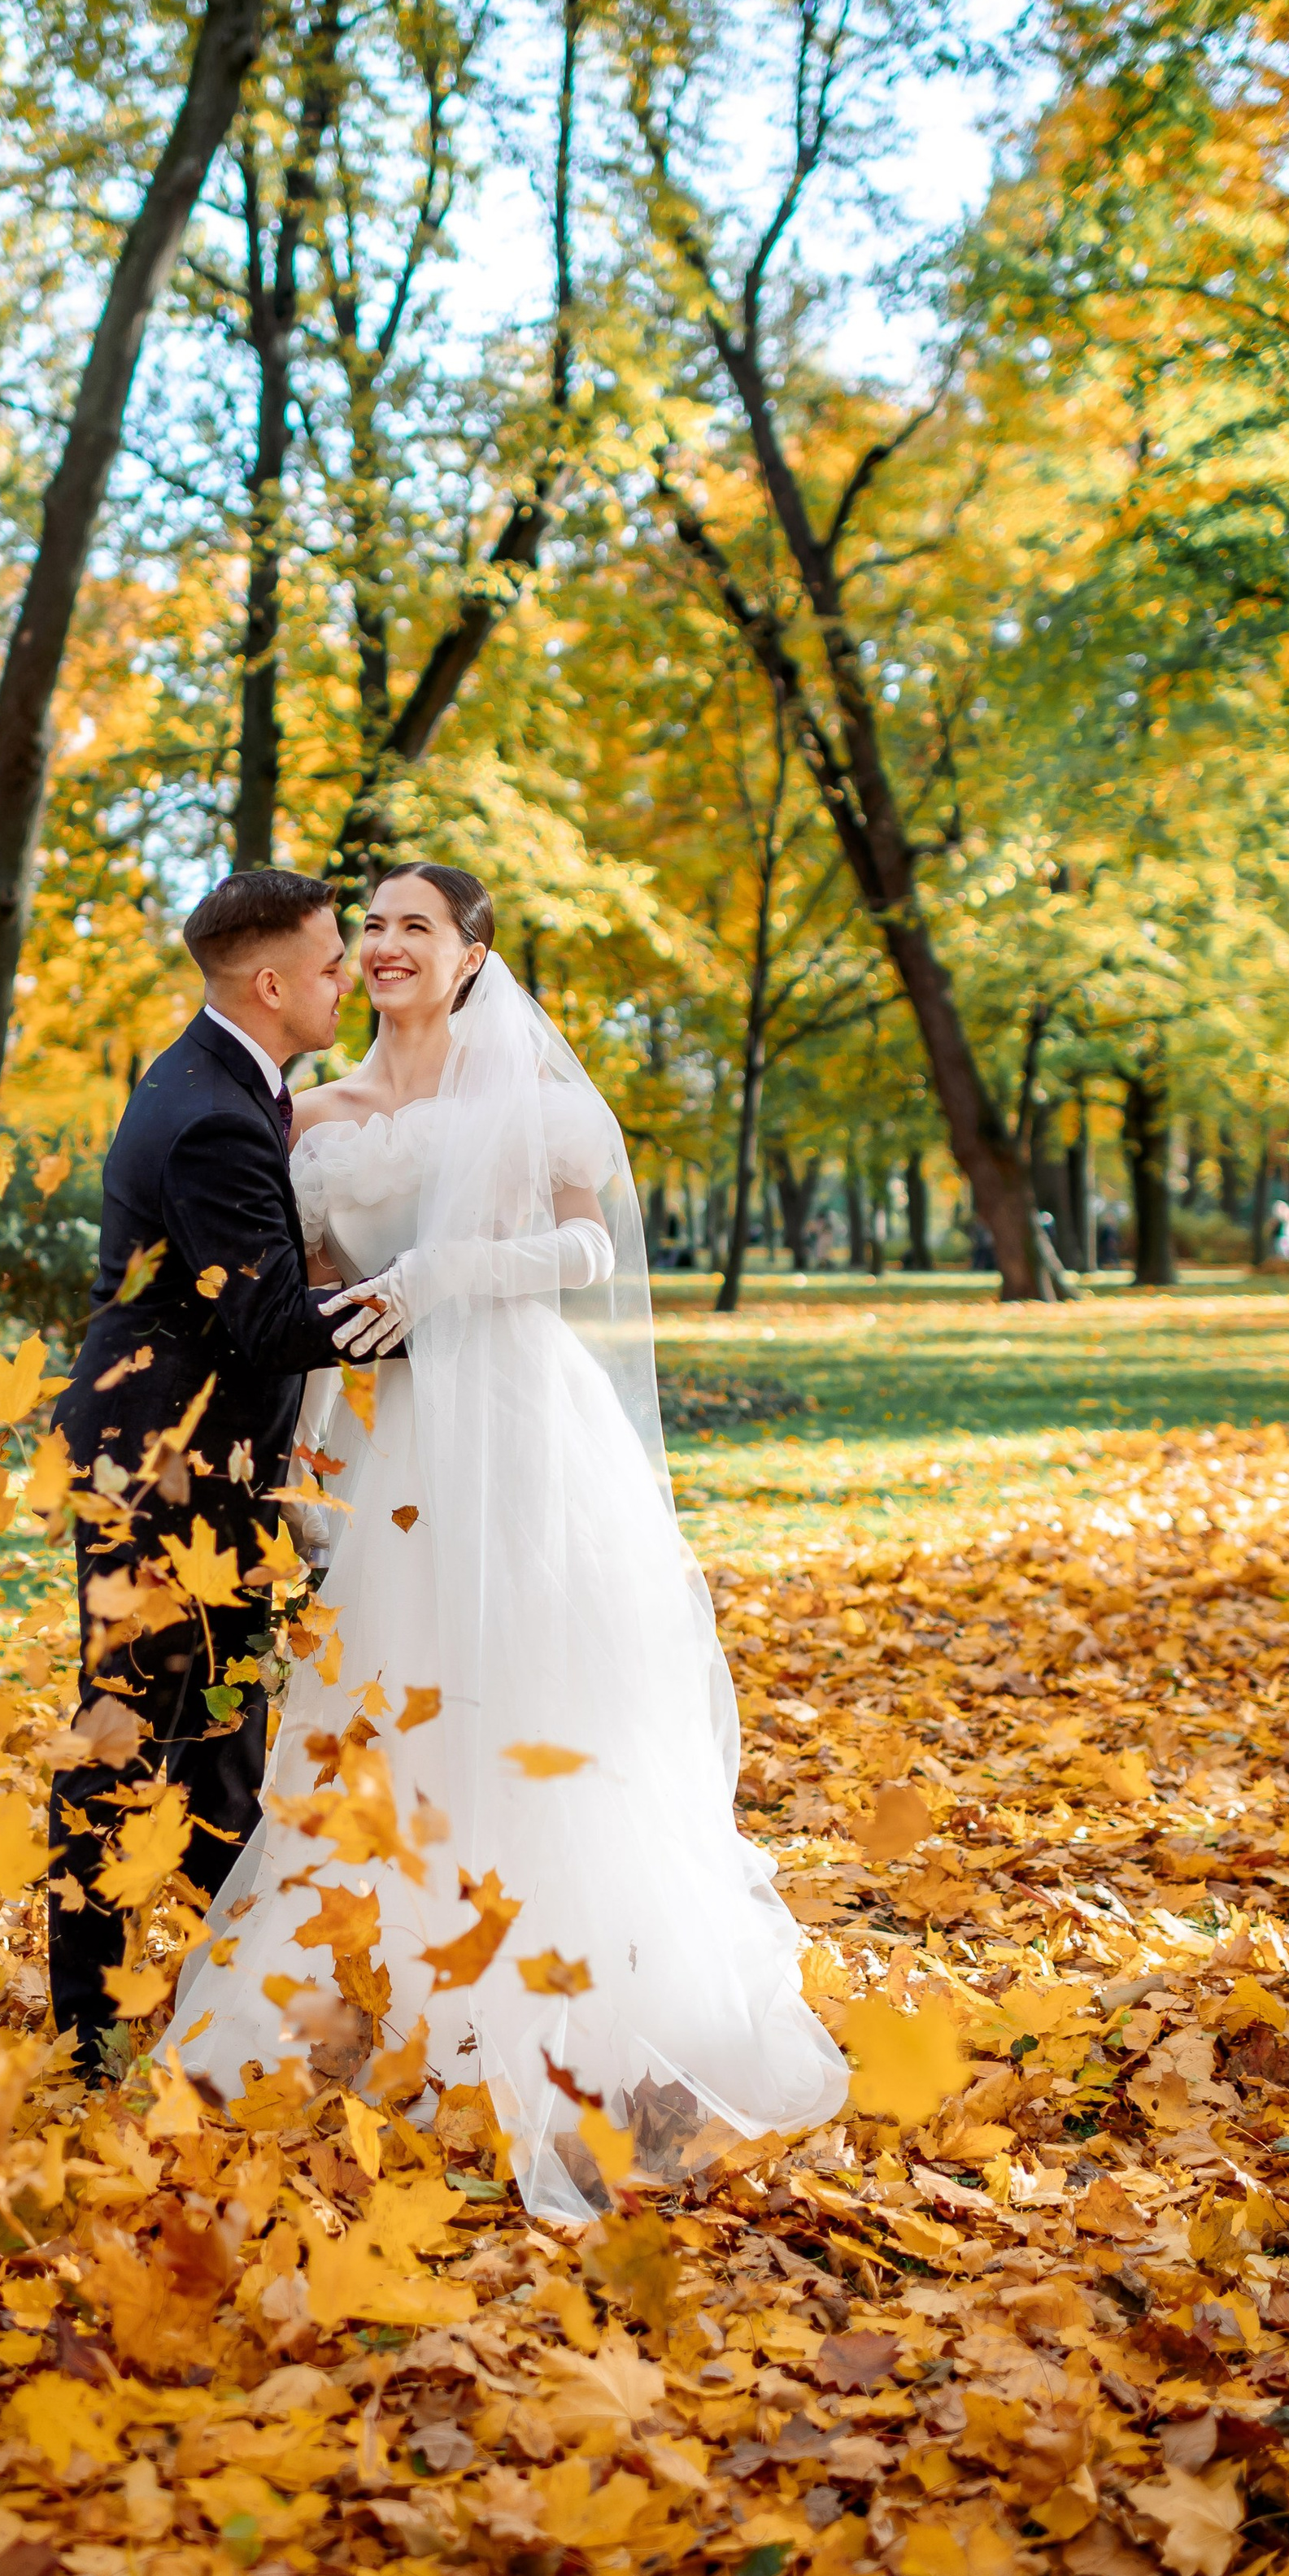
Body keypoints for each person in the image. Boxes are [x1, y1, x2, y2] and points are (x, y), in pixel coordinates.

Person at [172, 861, 845, 2220]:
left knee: (545, 1705)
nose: (385, 945)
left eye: (415, 926)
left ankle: (584, 2031)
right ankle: (388, 2010)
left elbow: (590, 1251)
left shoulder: (533, 1096)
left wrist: (450, 1274)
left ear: (472, 956)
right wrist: (306, 1464)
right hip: (395, 1443)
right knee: (389, 1704)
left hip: (527, 1423)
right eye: (371, 927)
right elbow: (309, 1302)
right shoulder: (315, 1115)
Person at [47, 868, 356, 2078]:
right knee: (126, 1734)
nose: (347, 979)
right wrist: (441, 1304)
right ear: (271, 984)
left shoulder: (226, 1083)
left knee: (223, 1738)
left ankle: (232, 1998)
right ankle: (87, 2030)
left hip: (203, 1466)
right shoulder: (213, 1115)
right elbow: (271, 1325)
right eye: (331, 962)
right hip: (160, 1475)